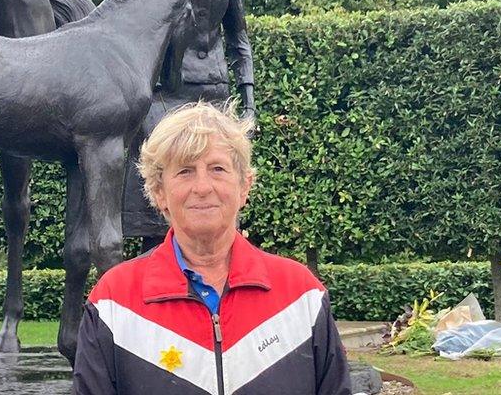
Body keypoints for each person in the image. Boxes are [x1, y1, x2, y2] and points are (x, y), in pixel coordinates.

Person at [74, 102, 351, 395]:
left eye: (217, 169)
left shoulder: (300, 295)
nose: (203, 187)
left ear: (245, 186)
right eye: (185, 171)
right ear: (159, 192)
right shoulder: (114, 302)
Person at [121, 0, 256, 244]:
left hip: (213, 92)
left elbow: (238, 38)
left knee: (212, 198)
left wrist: (248, 101)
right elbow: (124, 31)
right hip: (160, 97)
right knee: (160, 204)